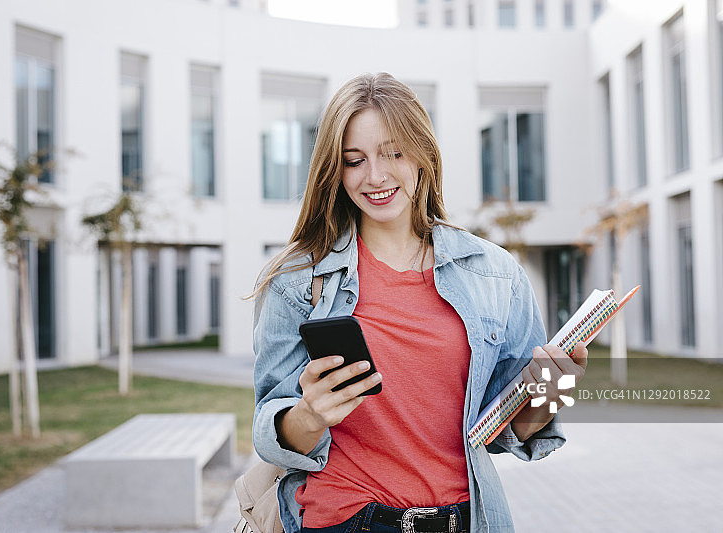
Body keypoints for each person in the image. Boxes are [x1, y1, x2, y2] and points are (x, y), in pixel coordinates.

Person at [250, 72, 588, 533]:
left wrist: (556, 386)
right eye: (355, 160)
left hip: (467, 520)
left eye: (393, 153)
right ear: (335, 169)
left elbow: (511, 431)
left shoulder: (494, 273)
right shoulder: (296, 280)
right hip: (346, 519)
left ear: (423, 152)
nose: (376, 176)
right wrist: (309, 415)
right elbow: (269, 432)